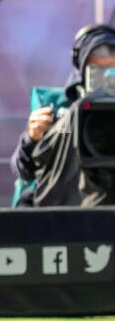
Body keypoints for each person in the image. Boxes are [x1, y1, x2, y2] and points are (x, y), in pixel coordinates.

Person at [13, 23, 115, 207]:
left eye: (111, 70)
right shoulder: (62, 111)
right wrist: (32, 139)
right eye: (96, 70)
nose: (105, 77)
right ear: (82, 69)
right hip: (68, 207)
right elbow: (24, 170)